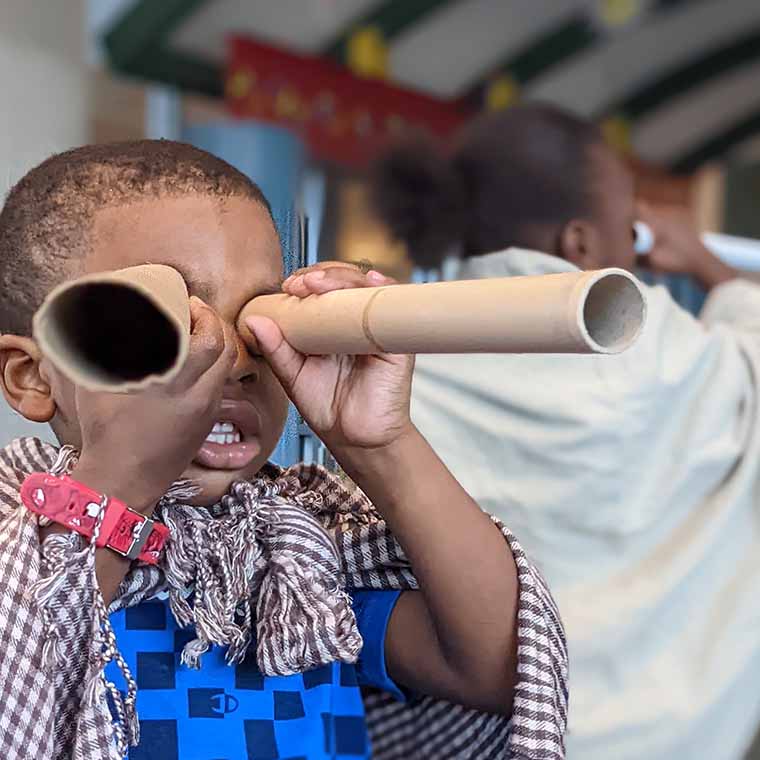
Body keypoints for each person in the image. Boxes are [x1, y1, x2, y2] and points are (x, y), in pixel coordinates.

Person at [0, 140, 566, 760]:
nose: (234, 361)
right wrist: (128, 472)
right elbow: (23, 678)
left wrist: (377, 441)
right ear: (33, 377)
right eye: (172, 324)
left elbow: (498, 668)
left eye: (255, 321)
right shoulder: (18, 555)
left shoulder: (295, 556)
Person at [371, 103, 760, 760]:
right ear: (579, 243)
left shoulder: (399, 351)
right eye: (626, 230)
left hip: (486, 737)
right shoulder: (666, 348)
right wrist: (702, 262)